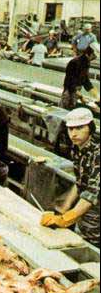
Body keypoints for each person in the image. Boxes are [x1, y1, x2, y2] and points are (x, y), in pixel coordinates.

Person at [41, 108, 99, 248]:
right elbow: (79, 184)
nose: (73, 134)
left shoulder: (97, 154)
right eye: (70, 129)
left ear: (90, 128)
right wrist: (64, 207)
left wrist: (65, 218)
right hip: (85, 220)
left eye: (79, 128)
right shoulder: (77, 149)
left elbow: (91, 194)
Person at [60, 43, 99, 110]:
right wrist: (81, 97)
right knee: (66, 110)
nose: (94, 58)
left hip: (76, 90)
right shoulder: (75, 62)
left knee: (73, 108)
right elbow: (70, 83)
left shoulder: (86, 62)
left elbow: (85, 80)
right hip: (69, 91)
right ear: (89, 53)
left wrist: (96, 95)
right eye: (94, 56)